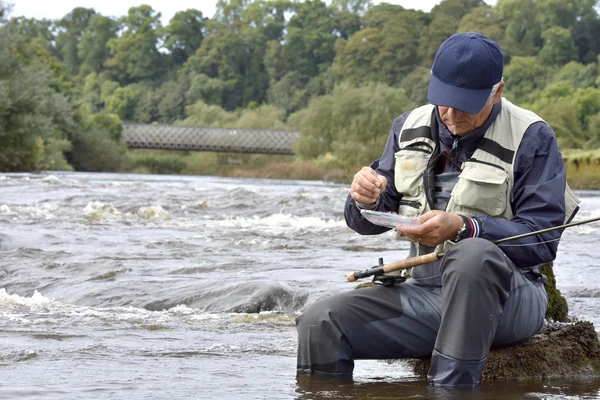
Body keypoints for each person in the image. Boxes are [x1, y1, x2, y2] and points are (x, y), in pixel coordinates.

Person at [295, 32, 580, 387]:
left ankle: (449, 393)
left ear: (498, 91)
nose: (451, 114)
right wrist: (364, 201)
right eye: (444, 100)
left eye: (466, 104)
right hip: (426, 294)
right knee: (318, 321)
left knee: (473, 255)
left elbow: (542, 241)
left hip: (510, 298)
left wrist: (465, 227)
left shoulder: (534, 138)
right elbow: (365, 221)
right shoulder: (406, 127)